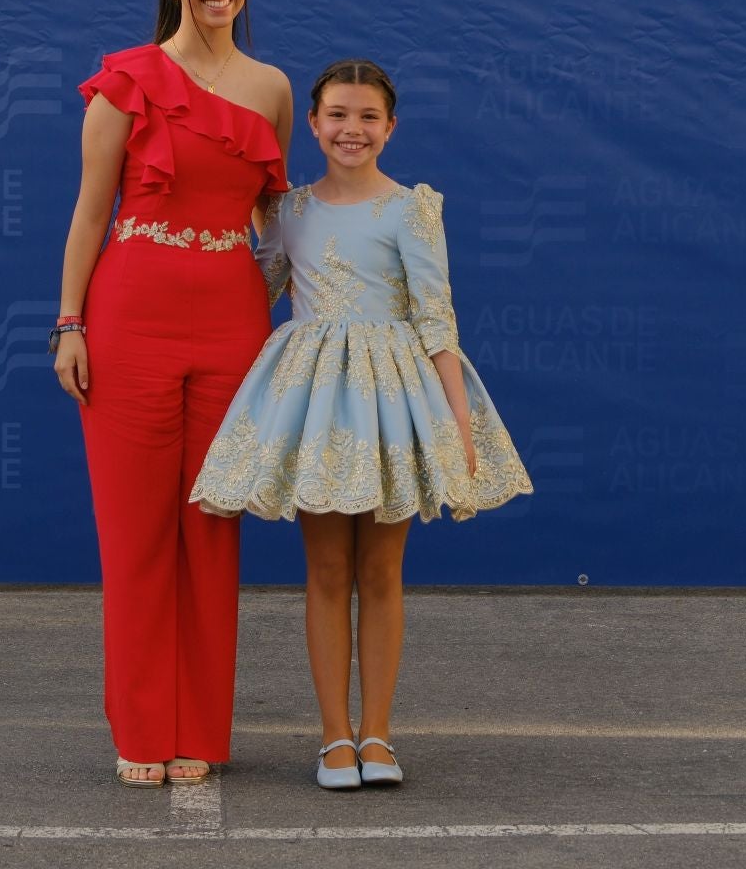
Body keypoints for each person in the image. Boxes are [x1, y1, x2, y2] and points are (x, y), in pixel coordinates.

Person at [189, 58, 533, 789]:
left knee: (381, 570)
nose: (353, 129)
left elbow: (436, 320)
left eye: (368, 117)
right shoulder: (287, 211)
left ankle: (378, 734)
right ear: (312, 124)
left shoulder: (411, 209)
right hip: (316, 405)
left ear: (390, 127)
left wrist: (458, 424)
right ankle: (333, 738)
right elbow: (255, 291)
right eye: (338, 115)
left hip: (391, 400)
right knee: (325, 570)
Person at [53, 0, 292, 788]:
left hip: (234, 326)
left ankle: (200, 727)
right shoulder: (128, 80)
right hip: (129, 321)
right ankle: (143, 724)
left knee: (211, 528)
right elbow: (89, 212)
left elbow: (273, 219)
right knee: (135, 534)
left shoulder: (271, 88)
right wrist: (69, 324)